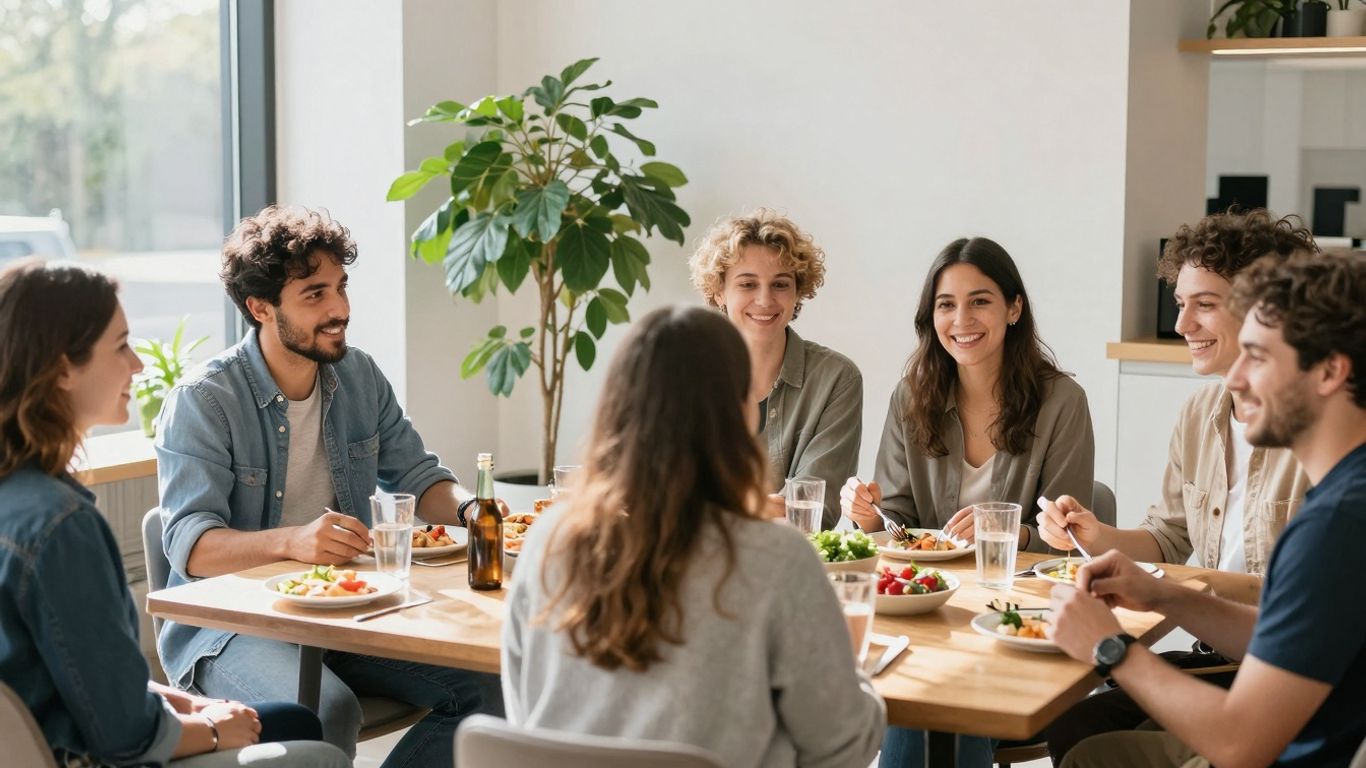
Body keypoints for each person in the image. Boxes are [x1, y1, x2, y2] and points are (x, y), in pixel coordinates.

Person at [154, 206, 502, 766]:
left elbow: (420, 476)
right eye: (314, 294)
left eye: (340, 287)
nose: (340, 308)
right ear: (261, 307)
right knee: (326, 712)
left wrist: (476, 509)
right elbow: (192, 549)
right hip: (232, 628)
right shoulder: (204, 401)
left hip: (344, 614)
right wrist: (292, 542)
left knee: (490, 688)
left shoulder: (359, 375)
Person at [502, 305, 885, 767]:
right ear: (743, 414)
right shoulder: (778, 558)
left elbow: (525, 719)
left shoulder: (547, 541)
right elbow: (843, 748)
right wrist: (851, 669)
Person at [0, 260, 348, 768]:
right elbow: (125, 736)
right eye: (120, 346)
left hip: (61, 732)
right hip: (89, 756)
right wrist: (208, 728)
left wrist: (187, 704)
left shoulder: (22, 499)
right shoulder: (61, 525)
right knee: (320, 756)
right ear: (62, 368)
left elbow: (82, 678)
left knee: (295, 721)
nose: (138, 365)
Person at [1051, 249, 1366, 768]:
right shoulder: (1348, 496)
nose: (1236, 380)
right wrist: (1163, 595)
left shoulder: (1334, 528)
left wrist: (1112, 650)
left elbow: (1241, 744)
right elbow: (1287, 636)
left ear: (1330, 370)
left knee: (1093, 757)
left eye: (1258, 358)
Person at [842, 237, 1095, 767]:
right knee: (925, 692)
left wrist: (1010, 531)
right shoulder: (911, 398)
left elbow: (1071, 543)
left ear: (1014, 307)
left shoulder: (1062, 403)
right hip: (931, 616)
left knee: (938, 700)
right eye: (946, 304)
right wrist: (869, 517)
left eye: (980, 300)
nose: (962, 318)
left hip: (1017, 628)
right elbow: (901, 523)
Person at [689, 210, 862, 528]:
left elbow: (816, 510)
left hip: (791, 562)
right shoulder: (684, 375)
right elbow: (662, 494)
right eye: (747, 284)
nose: (765, 299)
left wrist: (720, 506)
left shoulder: (837, 378)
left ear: (798, 293)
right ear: (719, 291)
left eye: (780, 284)